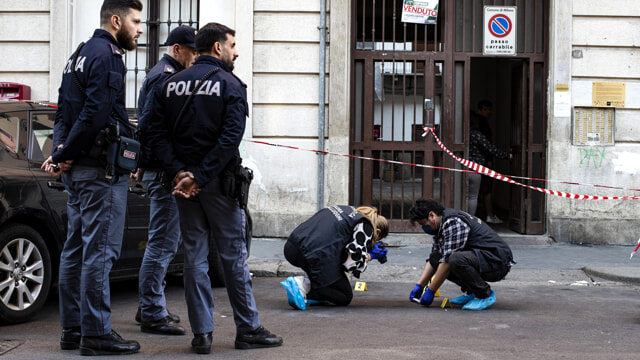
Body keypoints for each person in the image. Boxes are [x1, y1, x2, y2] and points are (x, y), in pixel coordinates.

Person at [147, 22, 283, 354]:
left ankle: (201, 334)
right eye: (233, 45)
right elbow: (229, 140)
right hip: (219, 185)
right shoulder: (230, 84)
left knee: (194, 258)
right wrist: (201, 176)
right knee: (233, 257)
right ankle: (248, 328)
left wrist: (181, 173)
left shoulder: (170, 84)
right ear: (218, 48)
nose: (236, 51)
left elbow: (154, 134)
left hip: (183, 187)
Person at [41, 0, 143, 355]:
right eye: (135, 21)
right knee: (100, 252)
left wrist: (61, 153)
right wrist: (64, 154)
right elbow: (96, 114)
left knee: (76, 250)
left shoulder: (78, 55)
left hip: (78, 171)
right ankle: (96, 334)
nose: (140, 29)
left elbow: (62, 110)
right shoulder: (109, 55)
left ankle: (73, 330)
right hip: (100, 170)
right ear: (116, 21)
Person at [131, 25, 198, 336]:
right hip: (165, 173)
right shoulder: (165, 77)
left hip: (158, 169)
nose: (196, 57)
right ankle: (152, 312)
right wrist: (152, 164)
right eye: (192, 51)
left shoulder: (161, 72)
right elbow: (149, 125)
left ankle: (149, 305)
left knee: (162, 242)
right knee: (162, 244)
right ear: (176, 49)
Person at [408, 199, 515, 311]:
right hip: (481, 258)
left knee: (455, 260)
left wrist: (431, 290)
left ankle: (484, 295)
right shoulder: (440, 225)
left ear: (432, 215)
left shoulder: (453, 222)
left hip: (497, 261)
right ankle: (472, 292)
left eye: (423, 224)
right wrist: (420, 285)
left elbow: (446, 261)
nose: (424, 228)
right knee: (437, 257)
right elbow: (436, 258)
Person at [281, 206, 389, 310]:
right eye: (376, 239)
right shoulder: (367, 226)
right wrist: (370, 256)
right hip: (311, 255)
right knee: (345, 296)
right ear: (378, 231)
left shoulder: (348, 211)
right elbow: (351, 264)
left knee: (333, 272)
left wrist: (362, 249)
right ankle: (303, 285)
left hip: (292, 246)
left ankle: (312, 291)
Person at [467, 111, 511, 217]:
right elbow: (490, 149)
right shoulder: (476, 135)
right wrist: (506, 156)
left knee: (463, 196)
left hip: (460, 168)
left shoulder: (461, 134)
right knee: (473, 197)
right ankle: (470, 220)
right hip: (475, 169)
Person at [475, 99, 503, 224]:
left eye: (490, 109)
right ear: (479, 110)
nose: (488, 112)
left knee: (476, 190)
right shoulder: (482, 126)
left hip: (474, 163)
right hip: (482, 162)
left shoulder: (482, 124)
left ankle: (479, 214)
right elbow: (488, 146)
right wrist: (490, 160)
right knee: (486, 189)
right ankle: (489, 215)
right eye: (485, 109)